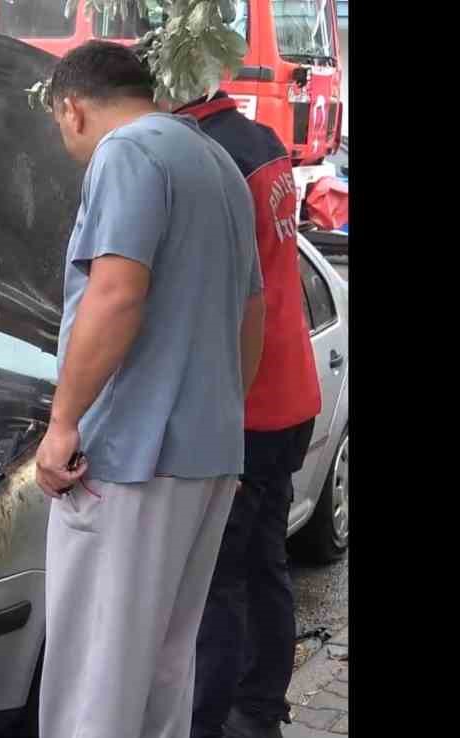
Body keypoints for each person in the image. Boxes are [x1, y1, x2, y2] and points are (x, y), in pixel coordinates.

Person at [33, 41, 266, 738]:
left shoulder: (128, 152)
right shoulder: (217, 161)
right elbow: (252, 313)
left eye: (56, 123)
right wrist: (225, 411)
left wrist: (63, 423)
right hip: (209, 453)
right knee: (163, 669)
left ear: (71, 108)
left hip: (130, 458)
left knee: (96, 675)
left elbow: (116, 294)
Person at [176, 88, 322, 738]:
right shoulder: (258, 141)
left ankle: (211, 722)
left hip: (247, 403)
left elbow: (215, 295)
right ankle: (261, 705)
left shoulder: (207, 157)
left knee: (217, 578)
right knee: (264, 561)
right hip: (291, 392)